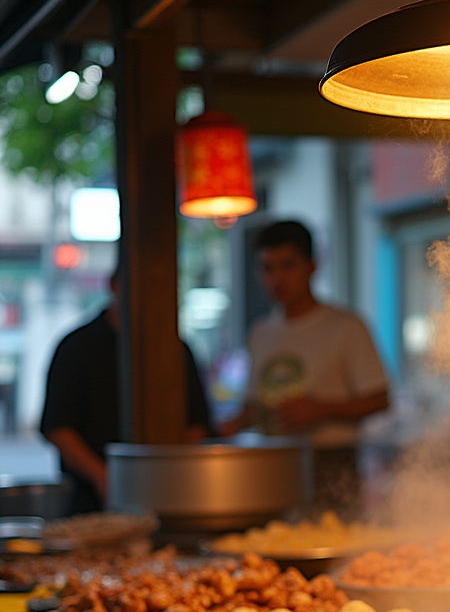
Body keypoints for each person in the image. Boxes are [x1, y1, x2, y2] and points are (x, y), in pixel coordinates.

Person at [222, 220, 388, 516]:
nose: (277, 279)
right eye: (267, 268)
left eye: (288, 266)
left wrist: (319, 409)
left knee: (339, 551)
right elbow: (254, 406)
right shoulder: (261, 332)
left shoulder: (345, 326)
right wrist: (228, 426)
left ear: (312, 266)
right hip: (272, 464)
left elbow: (380, 399)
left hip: (332, 462)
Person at [40, 271, 211, 515]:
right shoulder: (76, 347)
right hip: (91, 504)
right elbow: (57, 428)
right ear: (113, 285)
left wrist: (174, 474)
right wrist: (103, 476)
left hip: (167, 500)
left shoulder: (176, 349)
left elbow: (197, 424)